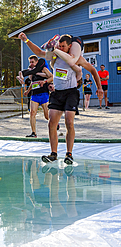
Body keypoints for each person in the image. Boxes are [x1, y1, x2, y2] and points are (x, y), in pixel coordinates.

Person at [19, 33, 103, 164]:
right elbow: (39, 52)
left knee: (69, 122)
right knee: (51, 123)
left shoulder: (76, 58)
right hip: (57, 93)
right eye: (59, 46)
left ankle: (69, 154)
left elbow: (92, 70)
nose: (60, 48)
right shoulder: (55, 56)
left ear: (70, 47)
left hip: (71, 92)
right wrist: (26, 40)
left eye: (63, 46)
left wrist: (99, 88)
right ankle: (53, 154)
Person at [21, 56, 53, 138]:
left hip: (43, 93)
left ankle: (55, 122)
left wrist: (43, 79)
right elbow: (32, 82)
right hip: (34, 94)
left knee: (46, 116)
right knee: (32, 113)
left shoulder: (43, 69)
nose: (31, 64)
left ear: (37, 62)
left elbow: (52, 77)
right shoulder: (31, 71)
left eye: (32, 62)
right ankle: (33, 133)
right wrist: (28, 91)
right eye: (30, 62)